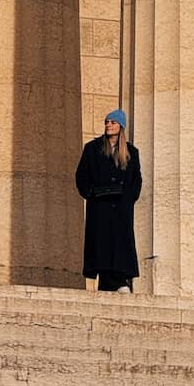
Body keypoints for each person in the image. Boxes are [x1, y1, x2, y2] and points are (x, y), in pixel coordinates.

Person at [75, 109, 142, 292]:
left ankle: (117, 281)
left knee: (120, 244)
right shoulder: (92, 148)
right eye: (107, 122)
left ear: (121, 126)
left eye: (113, 122)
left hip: (121, 207)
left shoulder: (131, 152)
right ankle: (115, 283)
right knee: (102, 245)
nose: (109, 125)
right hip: (100, 205)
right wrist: (90, 193)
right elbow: (81, 175)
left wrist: (129, 198)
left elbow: (137, 179)